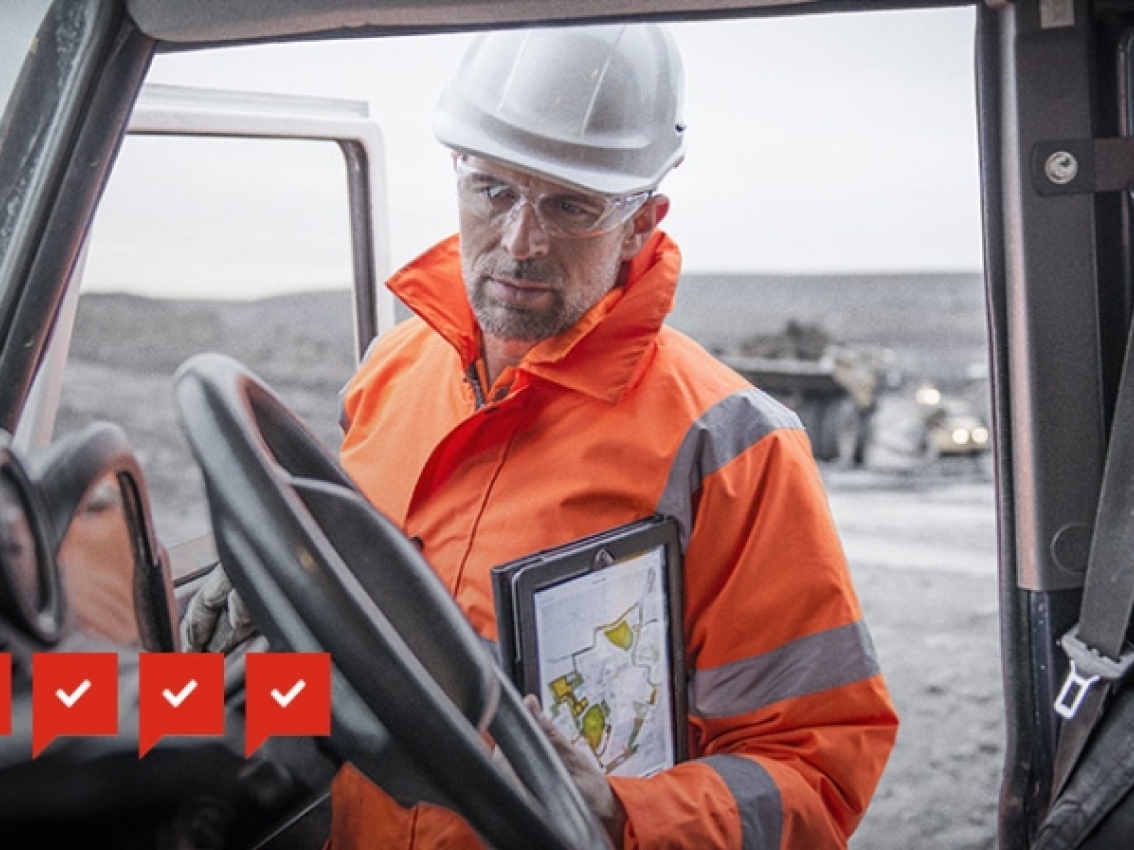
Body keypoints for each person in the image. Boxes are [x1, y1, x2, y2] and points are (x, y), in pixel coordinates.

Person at [185, 22, 898, 849]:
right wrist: (279, 607)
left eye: (571, 205)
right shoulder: (392, 371)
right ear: (458, 174)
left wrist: (620, 814)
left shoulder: (731, 445)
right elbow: (383, 686)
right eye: (493, 190)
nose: (521, 243)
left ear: (641, 222)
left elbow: (817, 772)